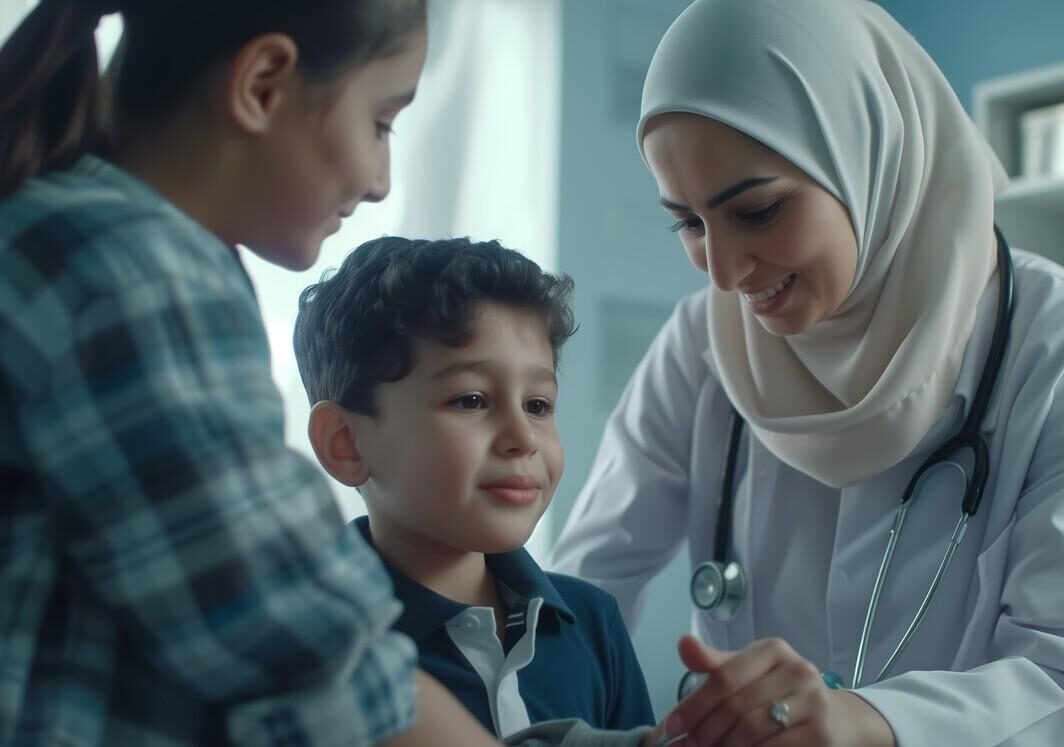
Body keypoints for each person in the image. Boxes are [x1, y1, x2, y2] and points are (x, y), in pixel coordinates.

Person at [0, 2, 653, 746]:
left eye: (540, 401)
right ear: (263, 84)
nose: (380, 181)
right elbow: (312, 658)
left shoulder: (84, 234)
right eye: (380, 123)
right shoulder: (126, 271)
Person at [549, 0, 1064, 745]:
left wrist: (867, 723)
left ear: (867, 156)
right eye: (687, 222)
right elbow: (583, 593)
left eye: (755, 211)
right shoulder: (701, 344)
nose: (722, 272)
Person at [291, 236, 657, 739]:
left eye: (538, 405)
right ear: (346, 443)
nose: (523, 438)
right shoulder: (316, 647)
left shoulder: (593, 623)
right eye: (471, 400)